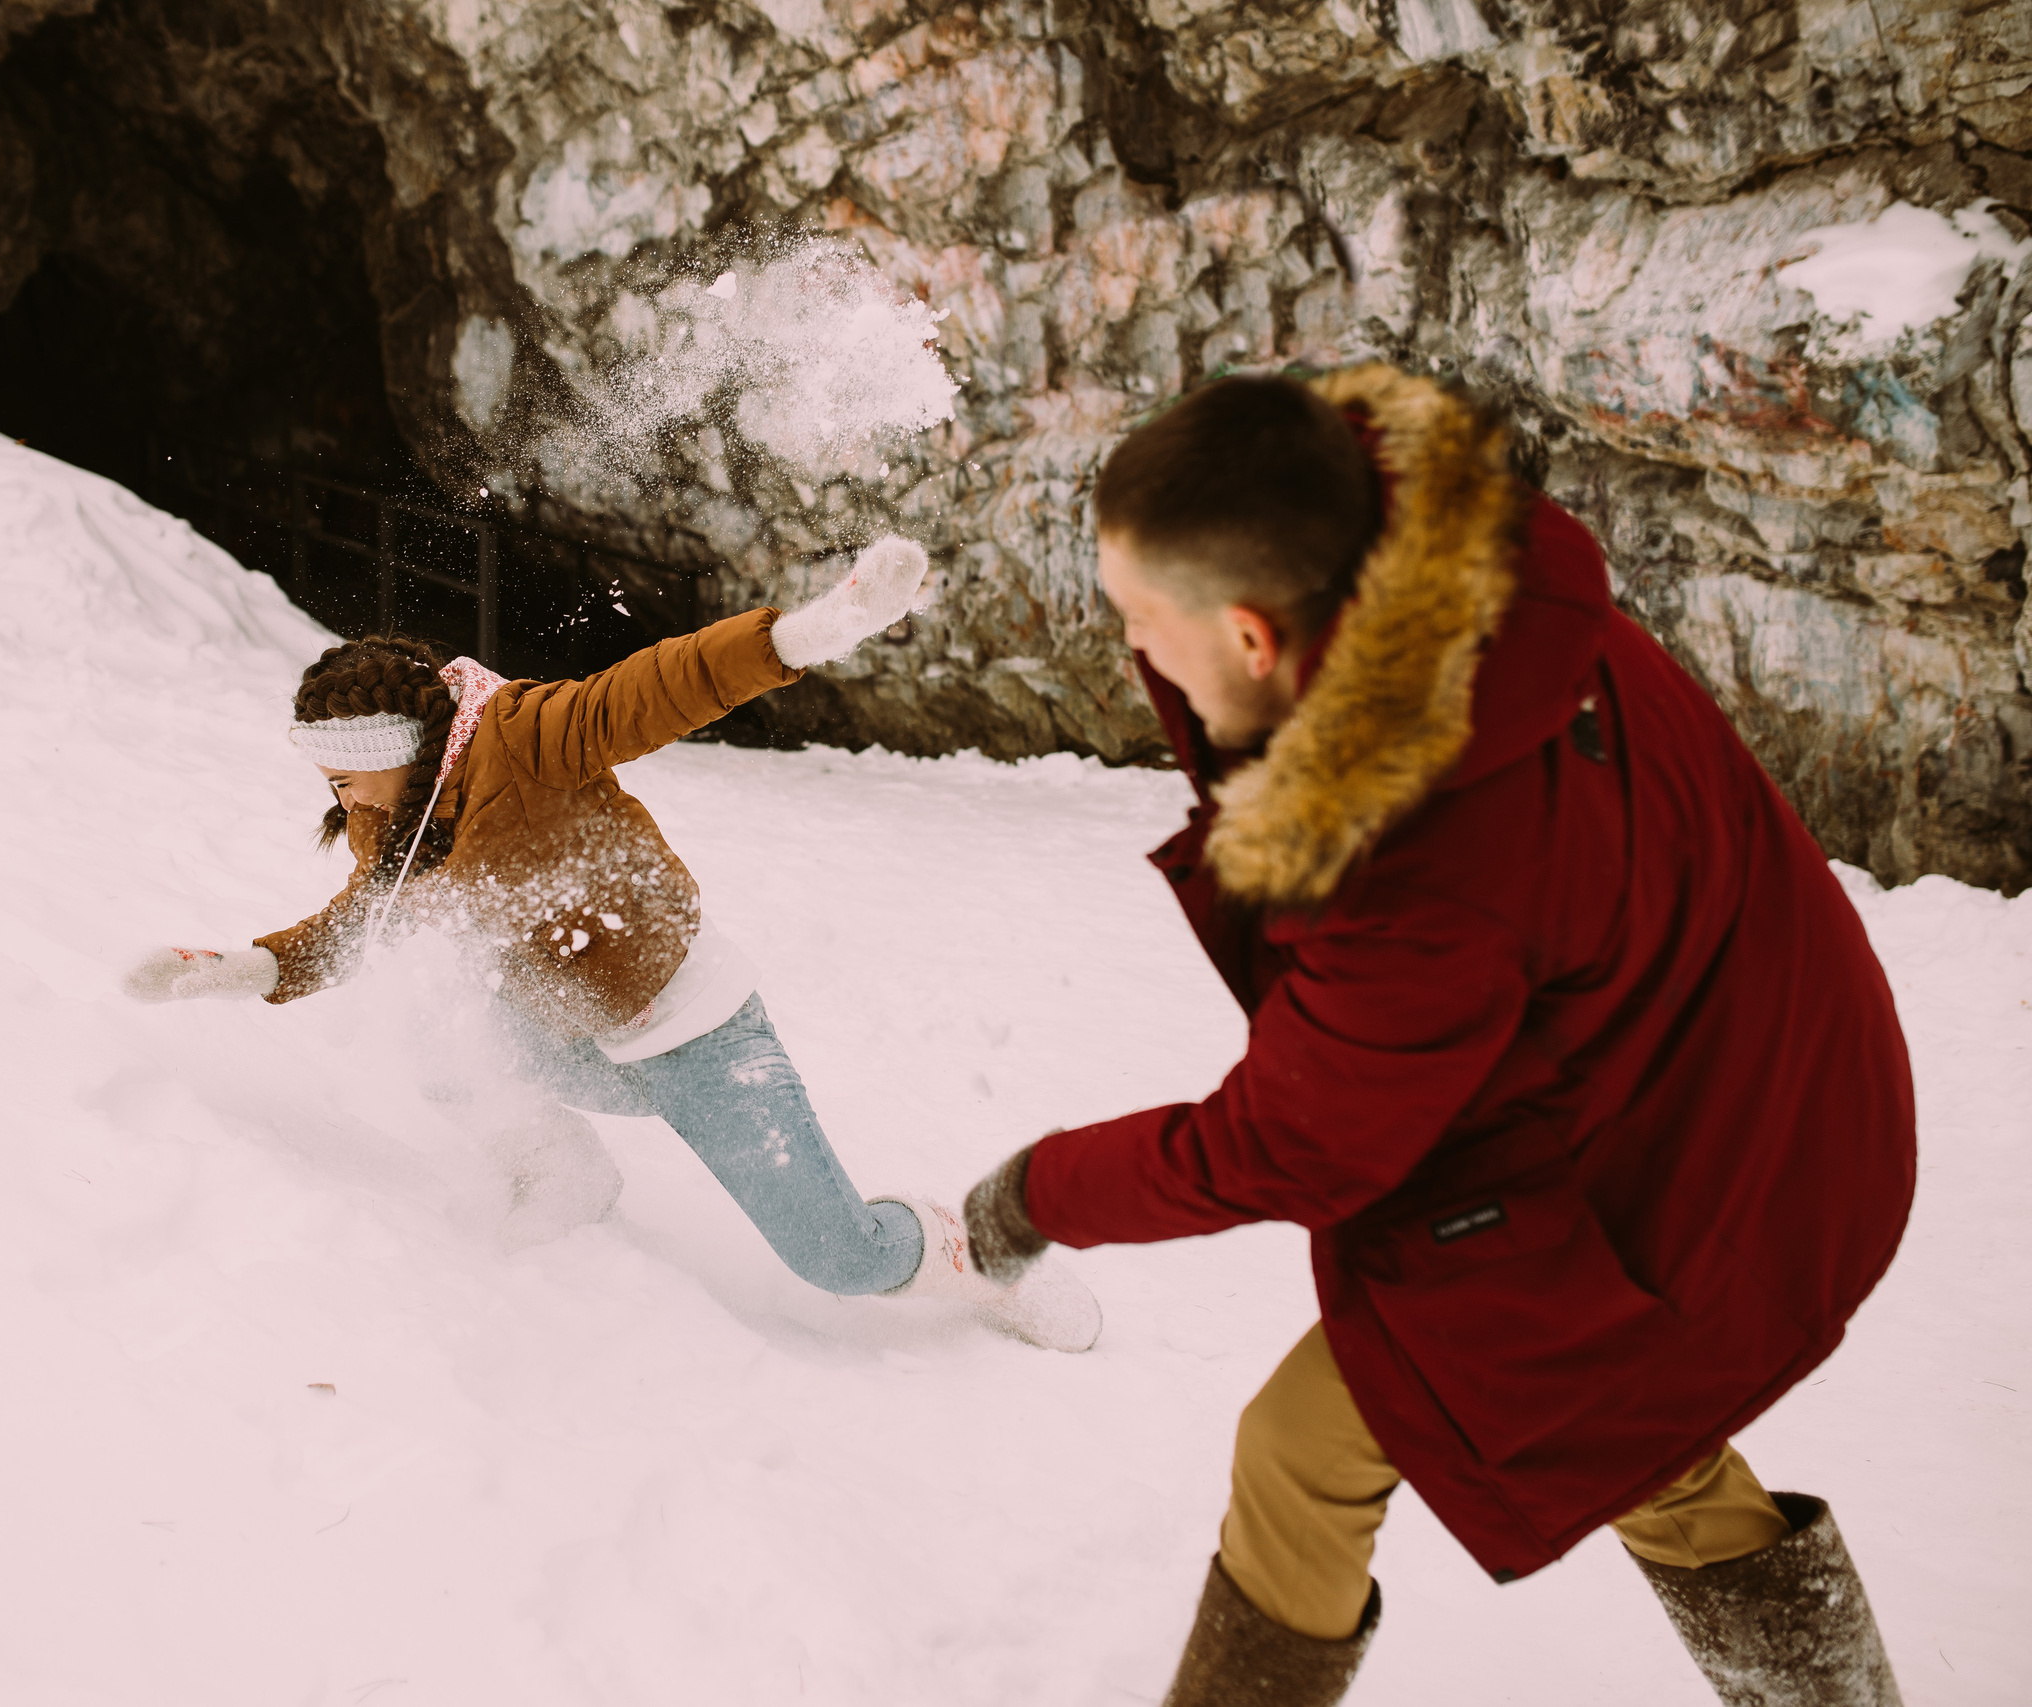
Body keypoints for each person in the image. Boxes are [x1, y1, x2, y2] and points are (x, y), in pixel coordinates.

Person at [958, 368, 1914, 1702]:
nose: (1131, 647)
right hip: (1743, 1066)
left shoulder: (1419, 867)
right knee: (1625, 1420)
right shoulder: (1452, 583)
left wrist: (1037, 1187)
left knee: (1307, 1445)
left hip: (1698, 1146)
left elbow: (1294, 1140)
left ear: (1248, 633)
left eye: (1139, 619)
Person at [125, 536, 1099, 1352]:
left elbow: (656, 688)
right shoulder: (392, 817)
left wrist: (814, 630)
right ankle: (564, 1175)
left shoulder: (526, 738)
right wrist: (251, 967)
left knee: (833, 1257)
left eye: (346, 777)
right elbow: (374, 923)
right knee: (431, 1024)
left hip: (692, 1037)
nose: (338, 799)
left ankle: (981, 1252)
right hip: (566, 1032)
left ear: (400, 751)